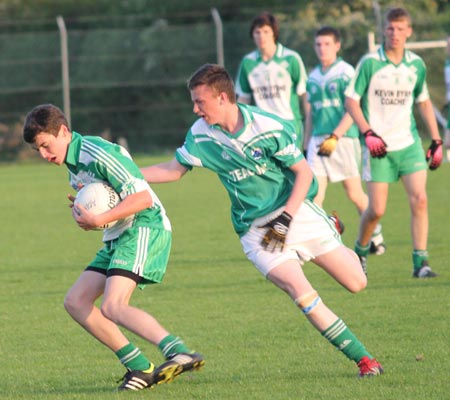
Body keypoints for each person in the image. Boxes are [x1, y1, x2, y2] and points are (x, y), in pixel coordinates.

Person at [141, 63, 383, 377]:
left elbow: (304, 172)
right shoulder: (201, 135)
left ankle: (330, 226)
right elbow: (173, 170)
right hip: (256, 231)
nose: (195, 109)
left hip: (295, 211)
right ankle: (365, 361)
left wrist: (286, 218)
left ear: (224, 98)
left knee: (356, 283)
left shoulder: (268, 126)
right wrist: (123, 177)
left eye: (200, 101)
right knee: (304, 297)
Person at [22, 104, 204, 391]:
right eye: (38, 151)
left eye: (46, 145)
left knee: (113, 305)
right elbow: (106, 197)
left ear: (64, 131)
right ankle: (140, 368)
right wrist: (84, 207)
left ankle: (178, 351)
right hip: (118, 234)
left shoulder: (98, 153)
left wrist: (100, 218)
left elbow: (143, 198)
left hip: (145, 226)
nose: (44, 155)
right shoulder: (73, 166)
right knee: (76, 301)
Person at [345, 7, 443, 278]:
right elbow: (351, 100)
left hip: (408, 144)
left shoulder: (416, 65)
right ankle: (360, 251)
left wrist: (436, 139)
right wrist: (367, 132)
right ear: (383, 31)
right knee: (376, 210)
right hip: (378, 149)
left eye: (400, 29)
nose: (395, 34)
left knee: (420, 200)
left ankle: (420, 264)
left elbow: (423, 101)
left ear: (409, 31)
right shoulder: (370, 63)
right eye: (390, 28)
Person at [304, 26, 385, 257]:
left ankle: (375, 237)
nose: (322, 48)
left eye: (327, 44)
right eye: (318, 44)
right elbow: (311, 112)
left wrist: (336, 136)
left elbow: (352, 109)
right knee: (314, 194)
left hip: (342, 140)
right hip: (318, 141)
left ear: (337, 46)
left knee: (354, 194)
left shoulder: (346, 72)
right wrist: (306, 142)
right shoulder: (313, 75)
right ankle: (323, 242)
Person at [235, 11, 308, 145]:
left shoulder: (291, 58)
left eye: (266, 31)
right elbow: (243, 99)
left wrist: (309, 130)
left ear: (274, 33)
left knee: (293, 166)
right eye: (257, 32)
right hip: (261, 128)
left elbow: (305, 95)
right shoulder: (247, 62)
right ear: (252, 35)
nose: (261, 36)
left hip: (289, 125)